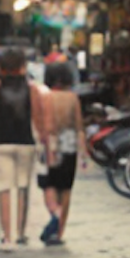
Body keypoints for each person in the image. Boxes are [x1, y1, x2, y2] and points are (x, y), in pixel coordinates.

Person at [0, 44, 48, 250]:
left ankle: (7, 237)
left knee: (3, 189)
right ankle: (20, 233)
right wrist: (44, 145)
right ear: (22, 66)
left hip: (1, 143)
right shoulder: (32, 89)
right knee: (22, 187)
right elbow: (38, 119)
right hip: (25, 143)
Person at [36, 58, 88, 246]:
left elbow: (41, 124)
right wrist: (83, 153)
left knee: (48, 183)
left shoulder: (45, 97)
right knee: (65, 188)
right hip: (69, 144)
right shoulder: (72, 98)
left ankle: (54, 214)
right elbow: (79, 126)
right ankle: (59, 233)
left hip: (49, 144)